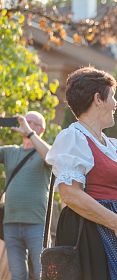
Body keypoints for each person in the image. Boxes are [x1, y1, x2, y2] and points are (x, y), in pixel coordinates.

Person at [45, 67, 117, 280]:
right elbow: (70, 195)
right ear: (98, 98)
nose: (116, 104)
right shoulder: (73, 138)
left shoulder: (114, 146)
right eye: (112, 96)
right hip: (86, 232)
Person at [0, 111, 51, 280]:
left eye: (31, 122)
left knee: (41, 272)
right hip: (11, 223)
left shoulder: (45, 151)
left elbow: (50, 157)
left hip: (37, 224)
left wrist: (30, 132)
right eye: (24, 120)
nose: (25, 124)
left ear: (41, 129)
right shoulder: (10, 152)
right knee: (18, 275)